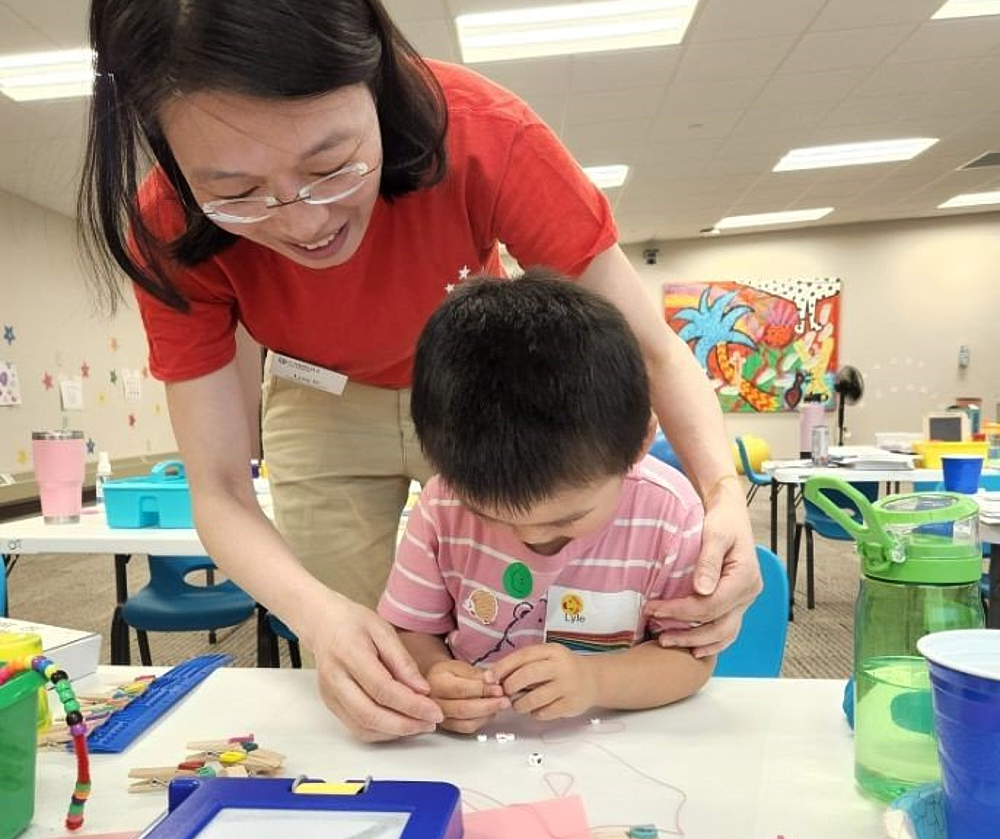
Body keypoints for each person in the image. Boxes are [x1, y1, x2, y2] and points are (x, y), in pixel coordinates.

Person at [80, 0, 756, 742]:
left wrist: (724, 498)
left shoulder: (483, 132)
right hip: (318, 394)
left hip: (482, 390)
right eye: (237, 194)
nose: (305, 224)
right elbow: (218, 489)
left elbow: (650, 348)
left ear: (377, 80)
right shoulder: (167, 225)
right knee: (379, 662)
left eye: (330, 167)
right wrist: (323, 618)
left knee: (520, 576)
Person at [379, 272, 715, 732]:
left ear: (639, 444)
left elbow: (691, 660)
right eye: (489, 516)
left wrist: (595, 681)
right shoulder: (442, 505)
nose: (532, 538)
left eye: (567, 519)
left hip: (614, 741)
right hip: (475, 752)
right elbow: (411, 629)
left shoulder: (671, 515)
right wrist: (434, 674)